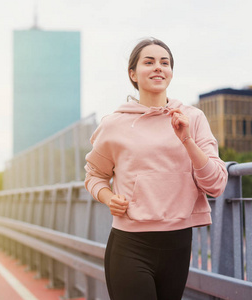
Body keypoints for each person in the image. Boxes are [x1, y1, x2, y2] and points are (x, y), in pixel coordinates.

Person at [84, 37, 228, 300]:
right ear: (133, 74)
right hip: (130, 245)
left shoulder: (192, 118)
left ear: (171, 72)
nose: (158, 67)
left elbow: (216, 184)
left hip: (178, 244)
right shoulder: (114, 124)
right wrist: (109, 198)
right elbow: (95, 176)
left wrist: (186, 139)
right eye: (148, 62)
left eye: (165, 62)